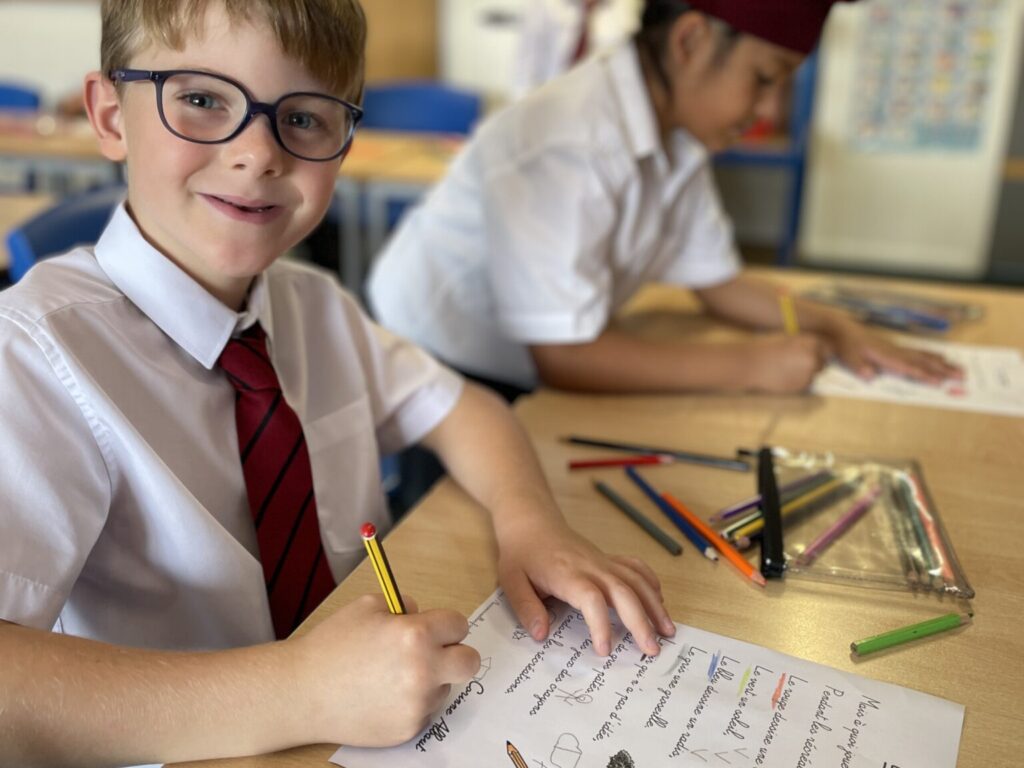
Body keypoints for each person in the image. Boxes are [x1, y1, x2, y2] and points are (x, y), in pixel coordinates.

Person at [0, 1, 675, 765]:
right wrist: (301, 689)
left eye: (306, 118)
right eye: (199, 100)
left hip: (375, 724)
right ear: (110, 114)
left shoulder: (312, 305)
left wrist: (531, 524)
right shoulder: (32, 355)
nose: (258, 153)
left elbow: (463, 408)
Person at [368, 0, 962, 397]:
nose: (764, 111)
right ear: (692, 39)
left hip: (553, 344)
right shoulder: (565, 140)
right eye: (764, 78)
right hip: (443, 352)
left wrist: (835, 325)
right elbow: (566, 358)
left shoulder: (680, 130)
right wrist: (753, 368)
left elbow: (717, 283)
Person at [513, 0, 640, 98]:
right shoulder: (544, 5)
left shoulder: (627, 12)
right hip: (548, 107)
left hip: (598, 113)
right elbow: (524, 74)